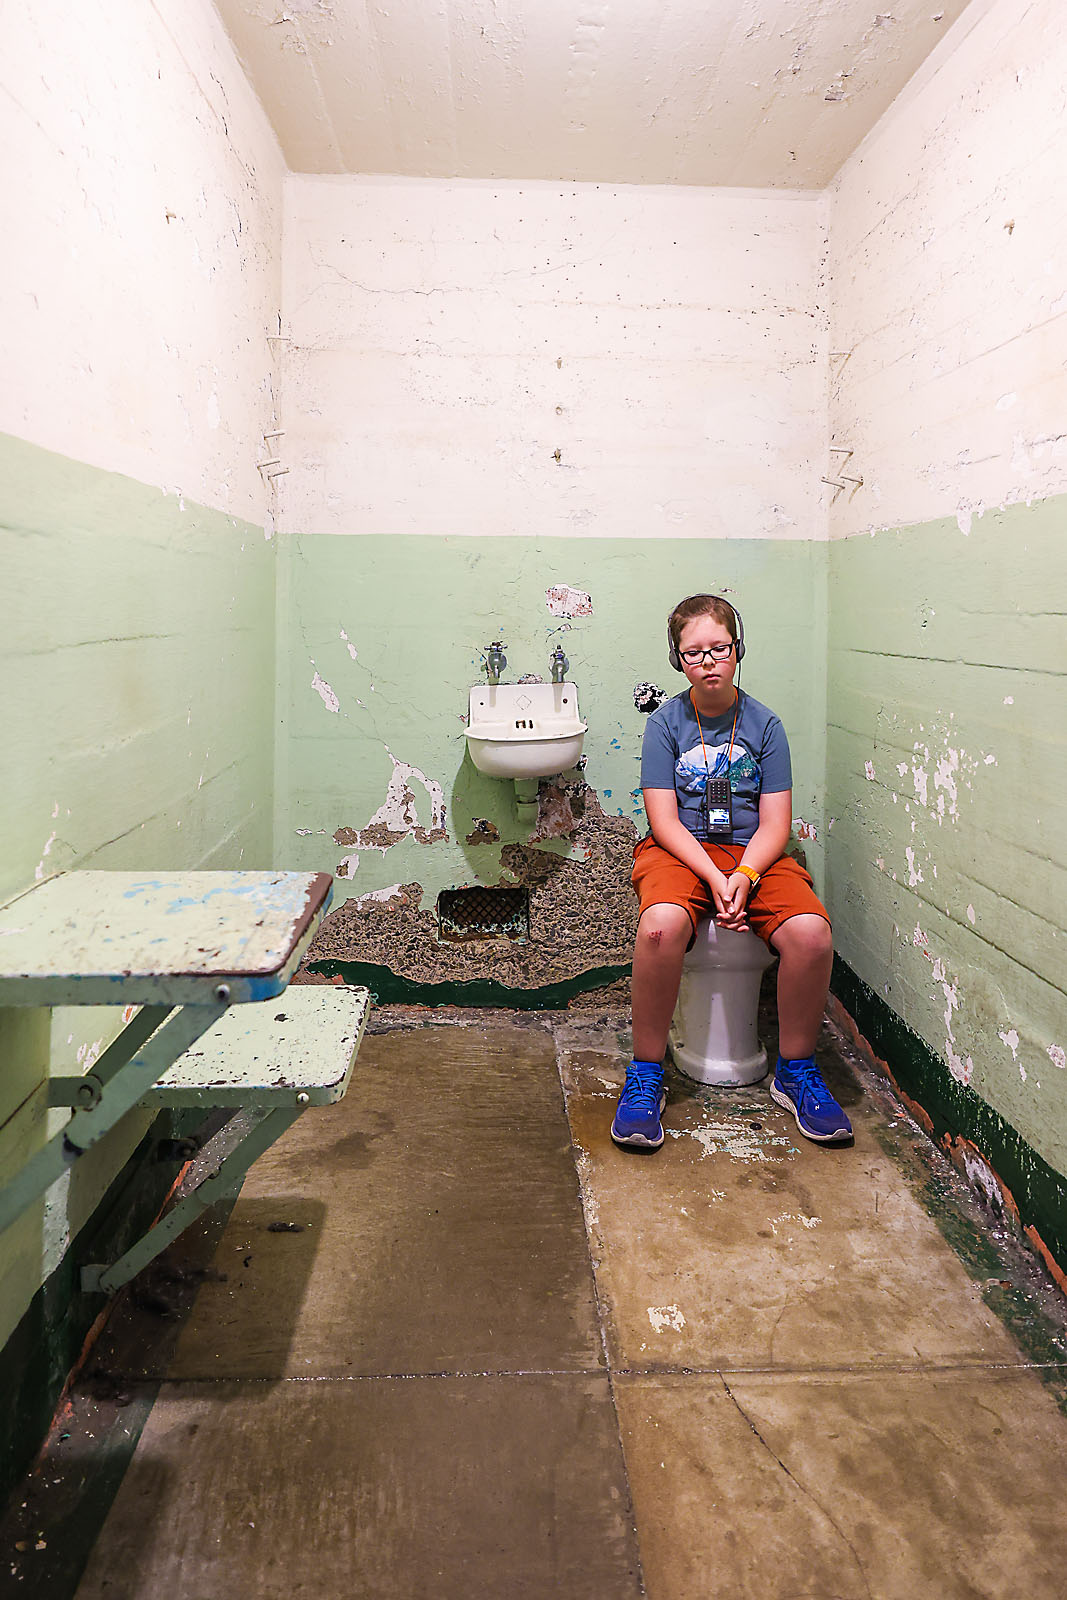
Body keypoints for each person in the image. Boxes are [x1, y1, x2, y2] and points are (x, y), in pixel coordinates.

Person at [612, 593, 852, 1150]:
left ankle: (796, 1071)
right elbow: (664, 822)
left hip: (754, 852)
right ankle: (646, 1074)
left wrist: (743, 873)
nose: (708, 662)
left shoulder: (765, 725)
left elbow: (776, 823)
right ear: (677, 660)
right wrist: (715, 877)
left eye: (719, 648)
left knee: (812, 935)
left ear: (737, 650)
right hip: (680, 851)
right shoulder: (665, 724)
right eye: (693, 653)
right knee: (659, 928)